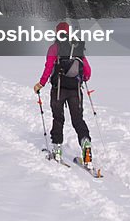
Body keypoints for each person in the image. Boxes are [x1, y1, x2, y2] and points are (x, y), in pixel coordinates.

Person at [34, 21, 92, 163]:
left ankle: (57, 150)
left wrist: (41, 84)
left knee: (58, 119)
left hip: (58, 89)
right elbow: (87, 71)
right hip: (75, 91)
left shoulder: (54, 48)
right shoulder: (76, 47)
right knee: (78, 120)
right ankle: (86, 147)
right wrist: (81, 79)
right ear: (69, 32)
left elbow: (48, 68)